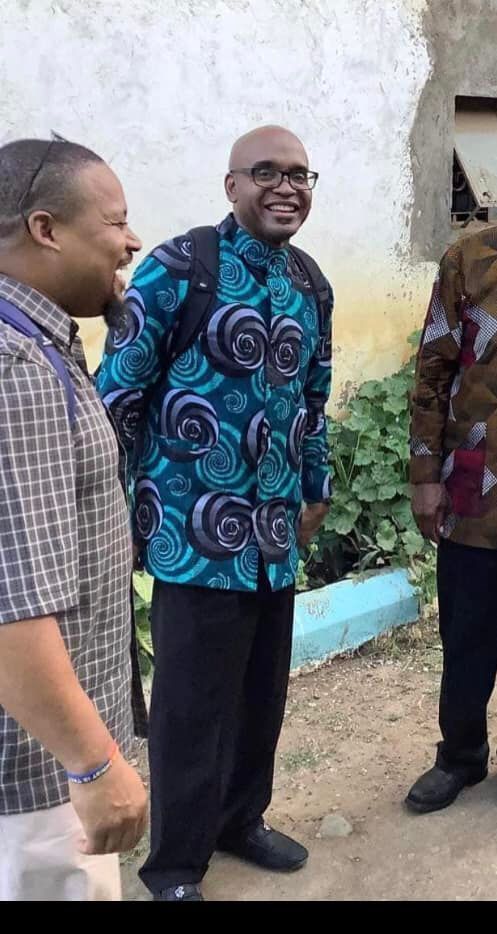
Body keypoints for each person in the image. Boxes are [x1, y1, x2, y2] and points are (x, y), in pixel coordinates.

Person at [97, 125, 333, 901]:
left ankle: (241, 821)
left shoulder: (309, 282)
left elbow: (311, 401)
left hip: (272, 539)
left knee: (260, 698)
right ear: (231, 185)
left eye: (300, 175)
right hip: (191, 538)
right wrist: (117, 515)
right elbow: (118, 398)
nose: (285, 187)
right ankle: (173, 866)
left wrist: (313, 487)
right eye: (265, 172)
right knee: (191, 710)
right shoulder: (179, 267)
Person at [0, 137, 147, 901]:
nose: (131, 242)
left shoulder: (39, 339)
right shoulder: (16, 372)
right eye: (116, 223)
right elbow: (12, 610)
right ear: (46, 229)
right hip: (37, 780)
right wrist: (94, 764)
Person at [407, 225, 497, 814]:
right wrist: (424, 476)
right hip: (476, 490)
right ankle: (461, 756)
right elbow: (433, 371)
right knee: (466, 634)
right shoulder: (468, 259)